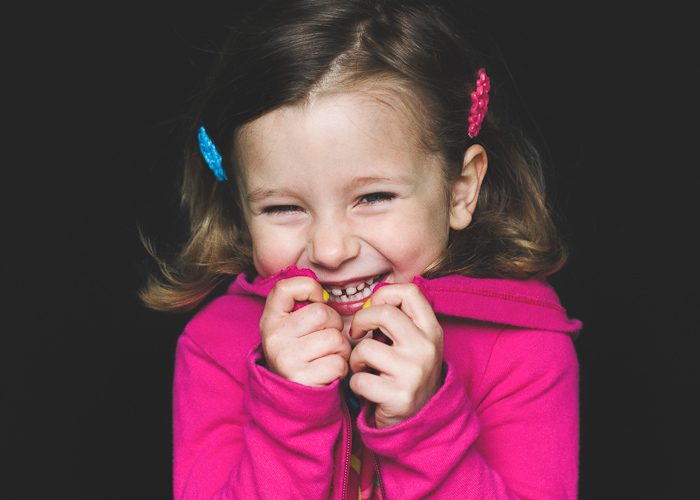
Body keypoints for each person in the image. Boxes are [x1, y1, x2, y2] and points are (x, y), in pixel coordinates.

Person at [139, 0, 582, 498]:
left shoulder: (525, 351)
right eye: (283, 207)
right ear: (240, 207)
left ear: (460, 190)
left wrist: (425, 429)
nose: (329, 250)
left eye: (373, 198)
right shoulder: (214, 346)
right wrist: (288, 417)